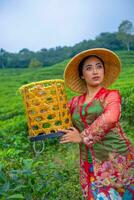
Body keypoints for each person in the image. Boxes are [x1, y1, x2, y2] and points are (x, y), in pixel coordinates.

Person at [59, 48, 134, 200]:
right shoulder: (74, 102)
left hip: (115, 160)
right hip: (88, 163)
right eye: (89, 68)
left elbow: (111, 118)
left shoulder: (111, 95)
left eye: (99, 66)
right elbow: (58, 118)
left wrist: (82, 136)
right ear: (81, 75)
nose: (95, 71)